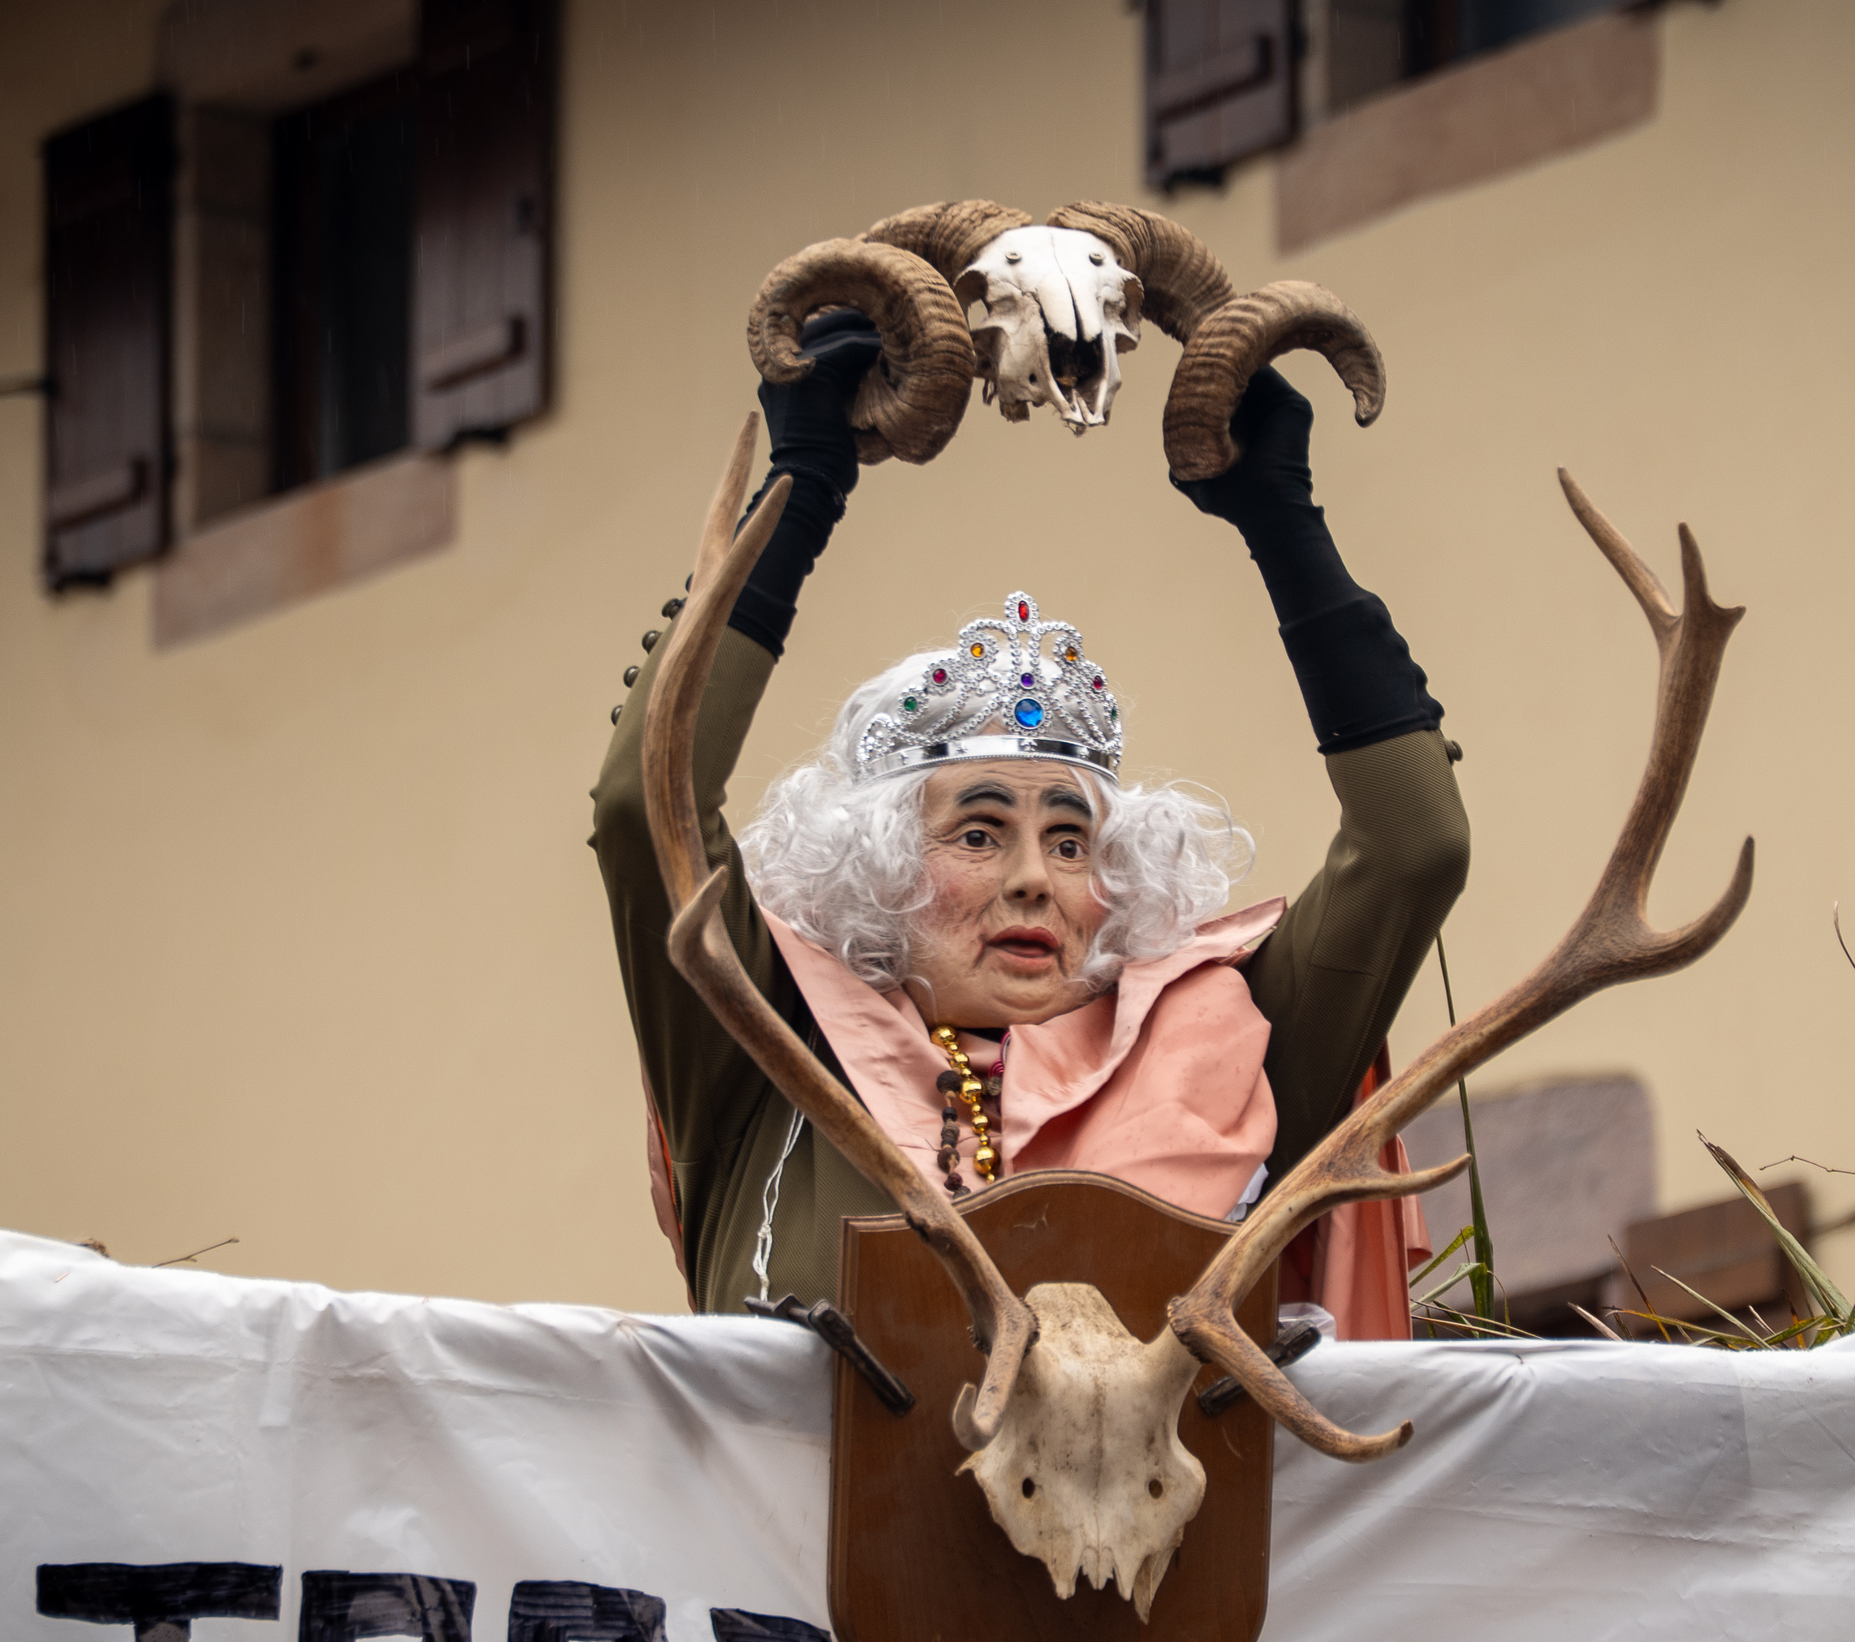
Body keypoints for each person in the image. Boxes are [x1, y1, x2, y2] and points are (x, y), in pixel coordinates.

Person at [589, 312, 1467, 1329]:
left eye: (1070, 840)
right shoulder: (757, 1039)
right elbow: (645, 804)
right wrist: (806, 483)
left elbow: (1412, 846)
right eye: (978, 832)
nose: (1033, 880)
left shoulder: (1226, 1048)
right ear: (875, 870)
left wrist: (1283, 523)